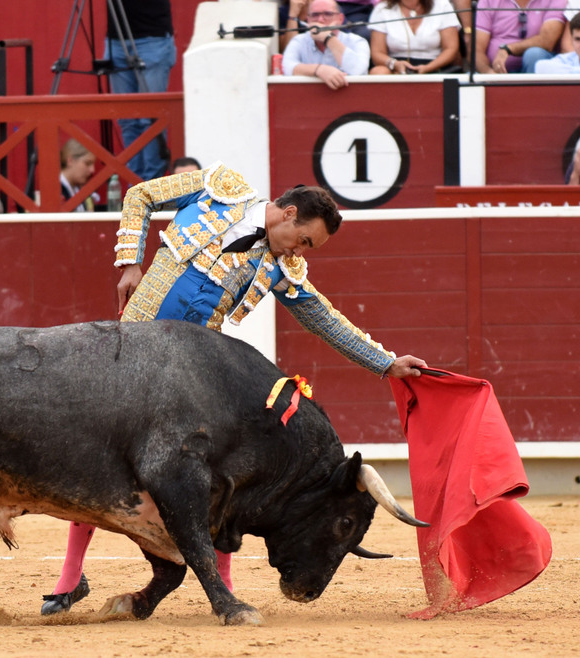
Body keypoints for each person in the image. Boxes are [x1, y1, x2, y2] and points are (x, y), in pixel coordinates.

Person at [40, 162, 428, 615]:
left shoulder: (283, 268)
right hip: (132, 353)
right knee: (98, 459)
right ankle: (70, 577)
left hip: (194, 378)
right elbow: (140, 196)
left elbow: (323, 318)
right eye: (305, 240)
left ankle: (222, 582)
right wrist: (130, 262)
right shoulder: (219, 189)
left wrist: (385, 363)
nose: (302, 252)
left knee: (220, 474)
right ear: (287, 213)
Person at [106, 0, 176, 182]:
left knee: (150, 120)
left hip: (152, 36)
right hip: (116, 39)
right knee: (127, 120)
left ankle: (150, 186)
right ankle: (134, 183)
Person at [283, 0, 371, 90]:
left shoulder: (357, 41)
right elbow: (287, 67)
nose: (320, 20)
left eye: (328, 14)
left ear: (340, 19)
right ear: (308, 20)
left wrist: (328, 38)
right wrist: (319, 70)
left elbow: (358, 70)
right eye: (315, 15)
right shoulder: (299, 40)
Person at [473, 0, 568, 73]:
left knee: (533, 55)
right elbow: (476, 49)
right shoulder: (488, 1)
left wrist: (508, 49)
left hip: (540, 66)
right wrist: (488, 73)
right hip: (496, 73)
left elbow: (547, 41)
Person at [369, 0, 462, 74]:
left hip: (435, 65)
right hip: (397, 67)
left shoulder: (442, 5)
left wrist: (428, 67)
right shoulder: (382, 9)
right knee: (379, 71)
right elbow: (377, 52)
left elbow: (450, 48)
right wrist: (395, 64)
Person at [59, 139, 98, 211]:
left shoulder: (78, 187)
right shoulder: (57, 190)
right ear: (70, 161)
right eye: (87, 163)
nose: (92, 170)